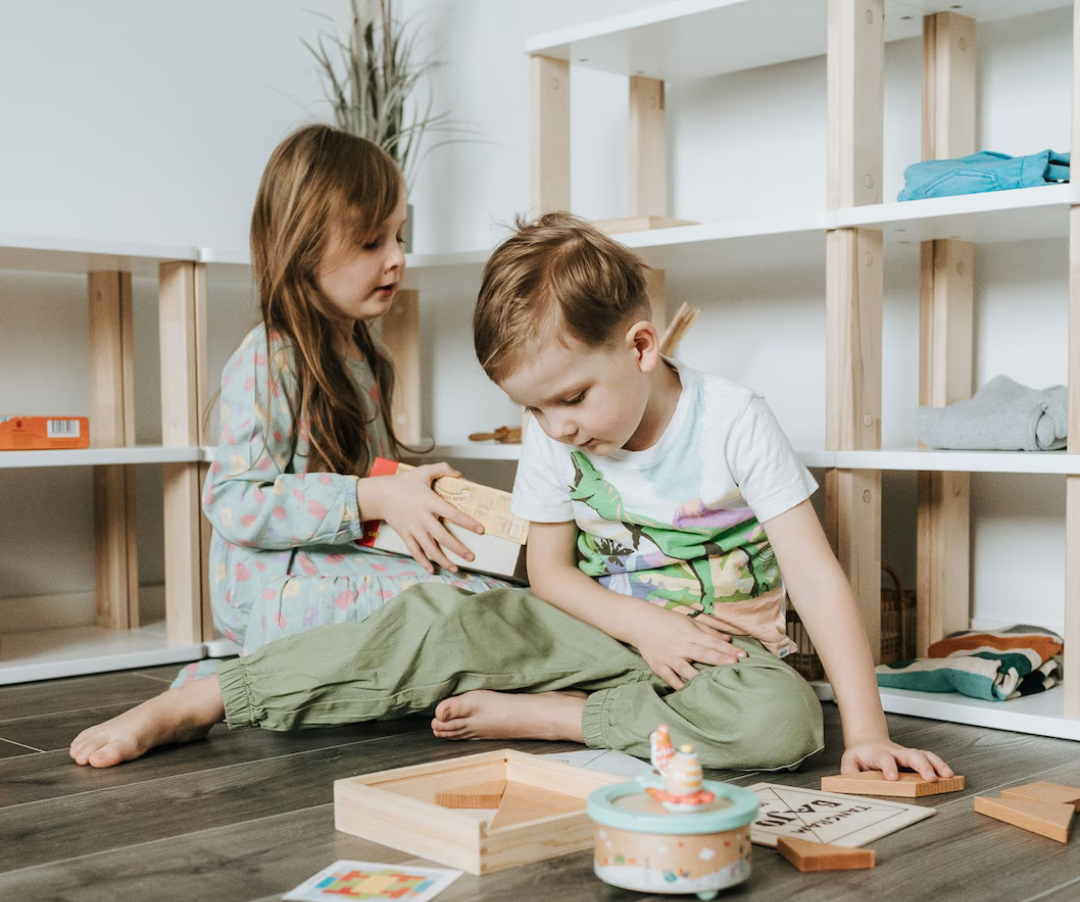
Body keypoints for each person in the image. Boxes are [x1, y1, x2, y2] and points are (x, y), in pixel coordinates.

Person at [71, 214, 952, 783]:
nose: (555, 428)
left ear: (642, 347)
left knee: (785, 722)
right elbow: (553, 575)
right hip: (602, 630)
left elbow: (821, 581)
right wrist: (642, 625)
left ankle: (563, 721)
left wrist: (866, 731)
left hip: (724, 659)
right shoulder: (552, 431)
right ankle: (216, 697)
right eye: (531, 408)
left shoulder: (734, 422)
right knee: (438, 617)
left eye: (570, 399)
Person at [171, 124, 511, 690]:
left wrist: (420, 501)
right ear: (303, 247)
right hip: (270, 584)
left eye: (399, 237)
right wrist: (374, 495)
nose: (397, 259)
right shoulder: (269, 359)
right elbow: (234, 501)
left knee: (502, 586)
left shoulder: (370, 355)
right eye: (372, 243)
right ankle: (227, 684)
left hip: (340, 558)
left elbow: (372, 486)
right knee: (460, 603)